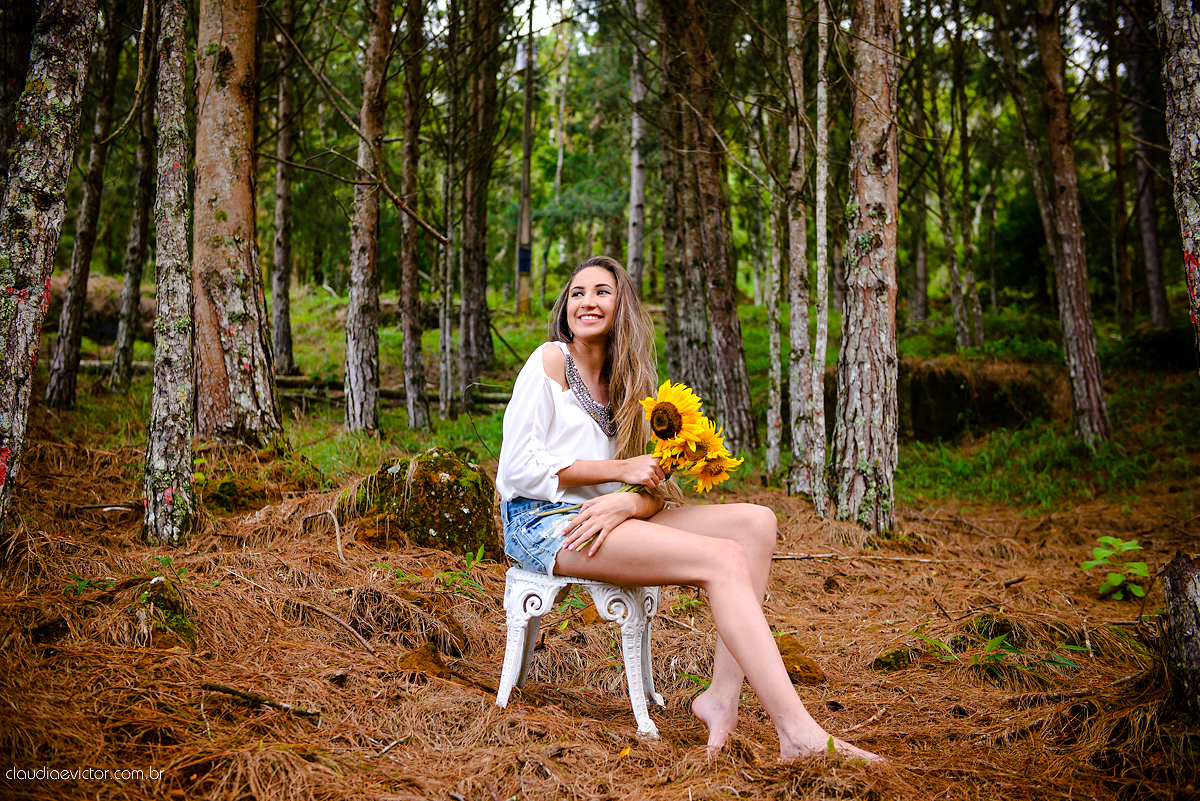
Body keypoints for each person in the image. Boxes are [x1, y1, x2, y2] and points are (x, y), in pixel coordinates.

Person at [496, 255, 881, 762]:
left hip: (604, 515)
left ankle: (720, 697)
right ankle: (798, 734)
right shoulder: (549, 361)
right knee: (721, 560)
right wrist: (619, 473)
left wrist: (629, 501)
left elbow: (655, 481)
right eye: (577, 292)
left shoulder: (632, 388)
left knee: (755, 524)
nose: (587, 301)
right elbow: (517, 471)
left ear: (623, 307)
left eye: (602, 292)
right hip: (542, 522)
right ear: (566, 306)